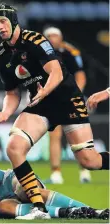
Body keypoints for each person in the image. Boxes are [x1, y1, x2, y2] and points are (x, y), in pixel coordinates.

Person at [0, 3, 110, 220]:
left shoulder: (36, 41)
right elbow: (12, 92)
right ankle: (39, 208)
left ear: (13, 21)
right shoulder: (2, 55)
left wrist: (44, 91)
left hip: (66, 99)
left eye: (3, 21)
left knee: (89, 161)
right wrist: (6, 112)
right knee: (14, 147)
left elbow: (56, 72)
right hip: (40, 104)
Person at [0, 164, 109, 220]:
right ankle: (72, 212)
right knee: (4, 209)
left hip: (9, 180)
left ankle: (94, 211)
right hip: (4, 200)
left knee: (25, 191)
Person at [43, 26, 90, 184]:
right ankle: (56, 173)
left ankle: (85, 170)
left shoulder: (70, 52)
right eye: (49, 36)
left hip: (70, 97)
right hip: (53, 98)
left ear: (60, 38)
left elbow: (80, 75)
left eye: (55, 36)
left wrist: (76, 94)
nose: (52, 39)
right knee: (54, 135)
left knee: (77, 136)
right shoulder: (41, 53)